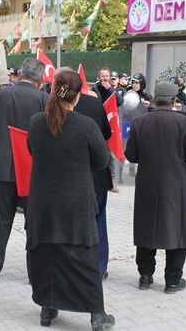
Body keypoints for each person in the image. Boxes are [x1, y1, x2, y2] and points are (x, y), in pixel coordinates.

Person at [26, 69, 114, 330]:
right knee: (83, 258)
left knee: (47, 254)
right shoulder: (85, 125)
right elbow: (101, 161)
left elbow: (33, 151)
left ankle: (47, 308)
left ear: (53, 89)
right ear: (77, 97)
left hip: (43, 200)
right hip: (76, 201)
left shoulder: (36, 122)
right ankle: (97, 314)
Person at [125, 82, 186, 294]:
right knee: (177, 231)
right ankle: (173, 280)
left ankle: (145, 275)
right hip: (176, 186)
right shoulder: (184, 123)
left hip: (147, 183)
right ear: (174, 100)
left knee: (146, 227)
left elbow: (130, 155)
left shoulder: (140, 122)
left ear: (155, 99)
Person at [0, 58, 48, 283]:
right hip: (33, 173)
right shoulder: (43, 99)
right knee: (34, 225)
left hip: (1, 169)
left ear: (20, 74)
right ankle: (34, 274)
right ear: (39, 80)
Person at [74, 77, 113, 280]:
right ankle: (99, 267)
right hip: (96, 173)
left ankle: (75, 266)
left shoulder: (54, 104)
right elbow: (106, 133)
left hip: (69, 176)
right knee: (98, 220)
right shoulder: (94, 103)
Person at [92, 68, 124, 192]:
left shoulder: (113, 90)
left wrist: (110, 89)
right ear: (99, 78)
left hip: (110, 127)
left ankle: (112, 183)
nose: (105, 78)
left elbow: (120, 102)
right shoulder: (95, 89)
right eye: (103, 76)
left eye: (107, 76)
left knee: (110, 154)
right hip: (98, 125)